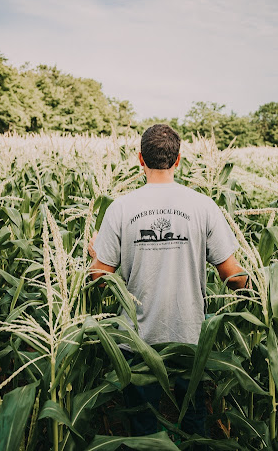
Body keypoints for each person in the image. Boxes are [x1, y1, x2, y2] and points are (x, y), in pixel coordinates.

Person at [88, 123, 247, 441]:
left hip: (137, 341)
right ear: (177, 161)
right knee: (194, 425)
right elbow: (233, 275)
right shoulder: (203, 206)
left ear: (139, 159)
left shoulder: (120, 209)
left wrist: (95, 254)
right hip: (190, 338)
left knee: (144, 431)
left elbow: (99, 280)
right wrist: (265, 294)